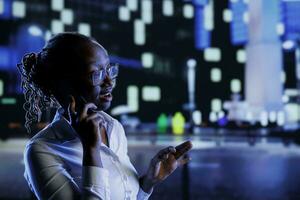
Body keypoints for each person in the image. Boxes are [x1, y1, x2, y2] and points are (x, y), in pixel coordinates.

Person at [18, 32, 193, 200]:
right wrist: (91, 149)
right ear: (66, 84)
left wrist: (149, 182)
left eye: (109, 69)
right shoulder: (42, 150)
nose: (109, 81)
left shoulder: (113, 127)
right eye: (97, 73)